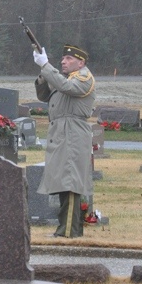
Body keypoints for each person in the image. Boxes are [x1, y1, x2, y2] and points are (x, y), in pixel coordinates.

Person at [33, 43, 96, 238]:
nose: (63, 61)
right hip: (62, 132)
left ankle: (67, 231)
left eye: (69, 59)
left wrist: (46, 66)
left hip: (72, 133)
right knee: (63, 181)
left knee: (69, 182)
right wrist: (43, 71)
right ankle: (70, 228)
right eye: (62, 58)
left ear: (81, 62)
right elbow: (43, 95)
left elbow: (66, 87)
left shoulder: (83, 77)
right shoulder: (65, 78)